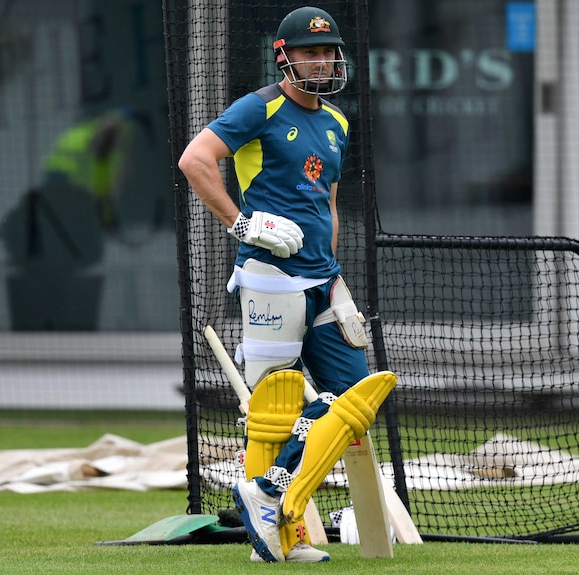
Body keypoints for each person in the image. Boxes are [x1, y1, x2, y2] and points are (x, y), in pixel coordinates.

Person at [178, 6, 396, 564]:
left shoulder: (338, 122)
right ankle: (279, 534)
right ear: (285, 56)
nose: (323, 61)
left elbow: (327, 204)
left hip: (323, 279)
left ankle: (272, 495)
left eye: (329, 52)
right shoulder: (261, 106)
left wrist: (337, 274)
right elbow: (196, 160)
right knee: (275, 409)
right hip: (271, 277)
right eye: (311, 52)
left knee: (354, 400)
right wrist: (240, 223)